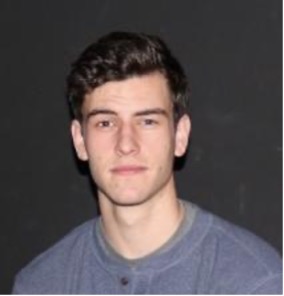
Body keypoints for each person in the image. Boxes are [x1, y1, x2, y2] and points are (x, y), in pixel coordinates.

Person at [13, 31, 282, 294]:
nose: (126, 144)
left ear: (180, 135)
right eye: (105, 123)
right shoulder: (41, 285)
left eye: (148, 121)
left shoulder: (254, 281)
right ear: (80, 141)